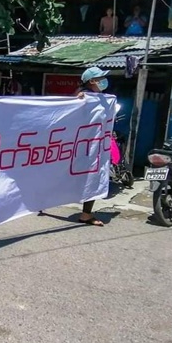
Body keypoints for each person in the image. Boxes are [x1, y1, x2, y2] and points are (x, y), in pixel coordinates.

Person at [39, 67, 111, 226]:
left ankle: (86, 214)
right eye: (101, 78)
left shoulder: (102, 98)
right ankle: (42, 199)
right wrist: (79, 100)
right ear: (92, 81)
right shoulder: (82, 97)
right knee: (68, 175)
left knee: (93, 177)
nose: (105, 81)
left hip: (94, 147)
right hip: (78, 147)